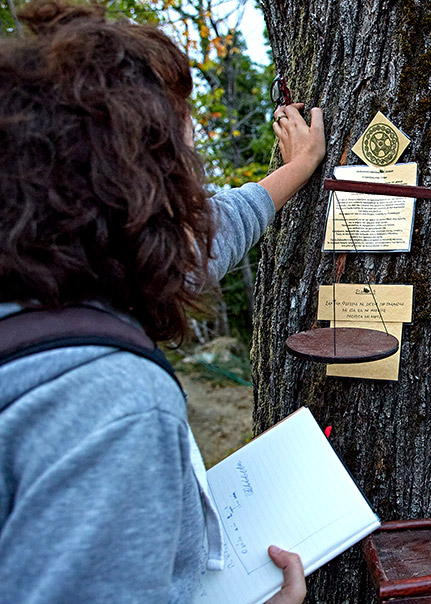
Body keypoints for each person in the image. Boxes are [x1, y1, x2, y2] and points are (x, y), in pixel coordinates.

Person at [0, 2, 325, 602]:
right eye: (180, 164)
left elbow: (206, 238)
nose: (194, 185)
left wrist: (298, 168)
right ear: (138, 191)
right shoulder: (114, 406)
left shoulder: (49, 286)